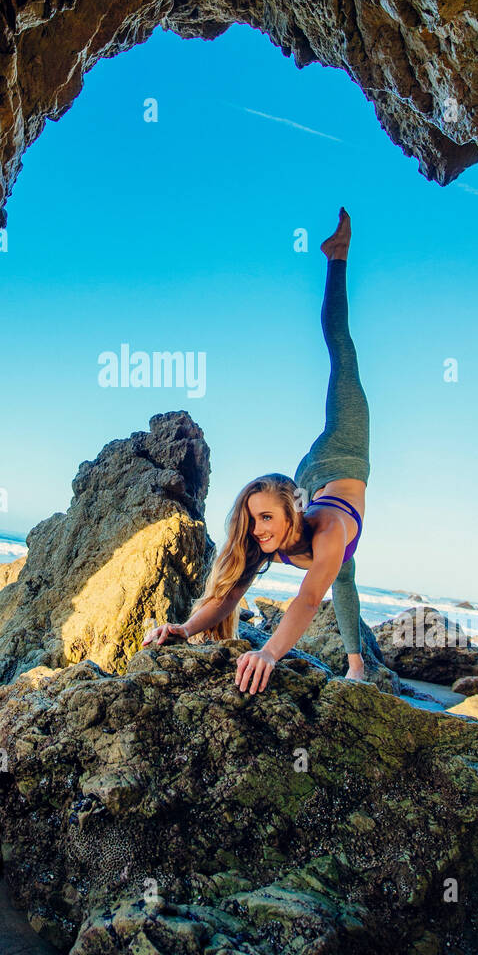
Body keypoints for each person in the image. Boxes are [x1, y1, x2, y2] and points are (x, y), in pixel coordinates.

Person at [142, 206, 370, 695]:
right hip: (308, 477)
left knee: (343, 358)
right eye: (255, 518)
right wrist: (185, 629)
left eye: (267, 518)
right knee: (341, 569)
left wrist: (269, 651)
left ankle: (337, 259)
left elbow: (309, 600)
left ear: (290, 513)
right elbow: (228, 598)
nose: (260, 529)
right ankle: (356, 662)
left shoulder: (327, 533)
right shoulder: (266, 536)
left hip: (345, 450)